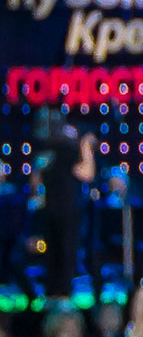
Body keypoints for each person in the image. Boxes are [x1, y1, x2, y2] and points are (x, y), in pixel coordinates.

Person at [32, 111, 92, 299]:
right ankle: (58, 292)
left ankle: (59, 292)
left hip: (63, 207)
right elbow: (35, 182)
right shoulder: (52, 150)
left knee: (61, 250)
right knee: (58, 250)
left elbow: (86, 173)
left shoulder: (64, 149)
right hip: (58, 207)